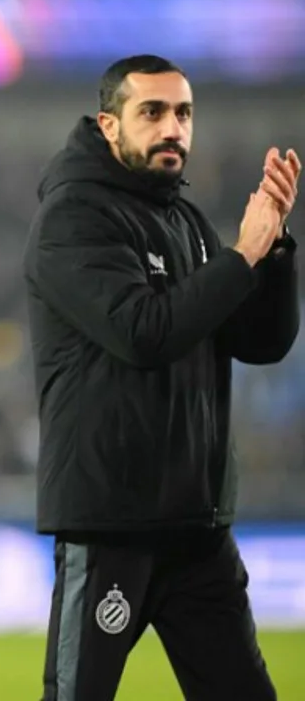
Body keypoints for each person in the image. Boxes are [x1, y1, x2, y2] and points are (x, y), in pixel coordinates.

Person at [23, 54, 299, 701]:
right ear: (109, 125)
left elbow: (259, 342)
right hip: (111, 524)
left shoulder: (185, 222)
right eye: (152, 112)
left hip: (196, 529)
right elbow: (143, 333)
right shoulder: (73, 219)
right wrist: (243, 254)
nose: (172, 127)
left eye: (183, 113)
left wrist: (276, 253)